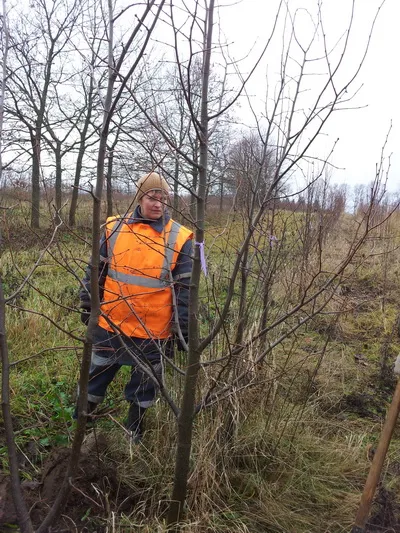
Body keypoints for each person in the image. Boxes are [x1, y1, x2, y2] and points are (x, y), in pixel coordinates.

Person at [76, 172, 193, 442]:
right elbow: (96, 270)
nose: (158, 204)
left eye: (164, 199)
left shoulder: (180, 237)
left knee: (144, 384)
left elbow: (184, 292)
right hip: (110, 325)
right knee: (96, 375)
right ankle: (82, 426)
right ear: (140, 197)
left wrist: (182, 331)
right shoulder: (113, 228)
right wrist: (87, 301)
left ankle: (134, 431)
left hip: (154, 331)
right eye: (153, 197)